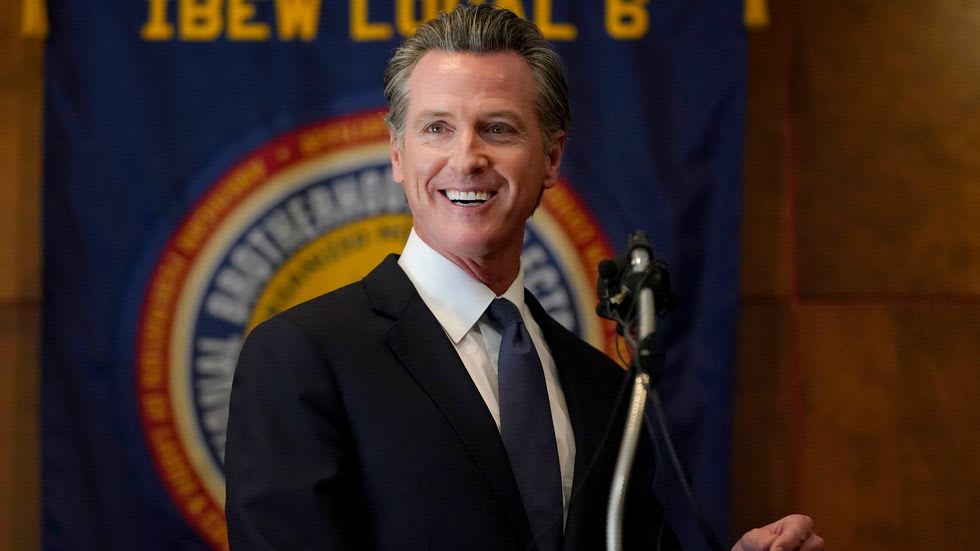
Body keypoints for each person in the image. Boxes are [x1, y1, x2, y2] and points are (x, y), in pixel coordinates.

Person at [224, 5, 824, 551]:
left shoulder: (602, 388)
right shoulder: (302, 358)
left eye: (498, 128)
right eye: (436, 128)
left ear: (552, 158)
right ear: (398, 155)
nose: (467, 158)